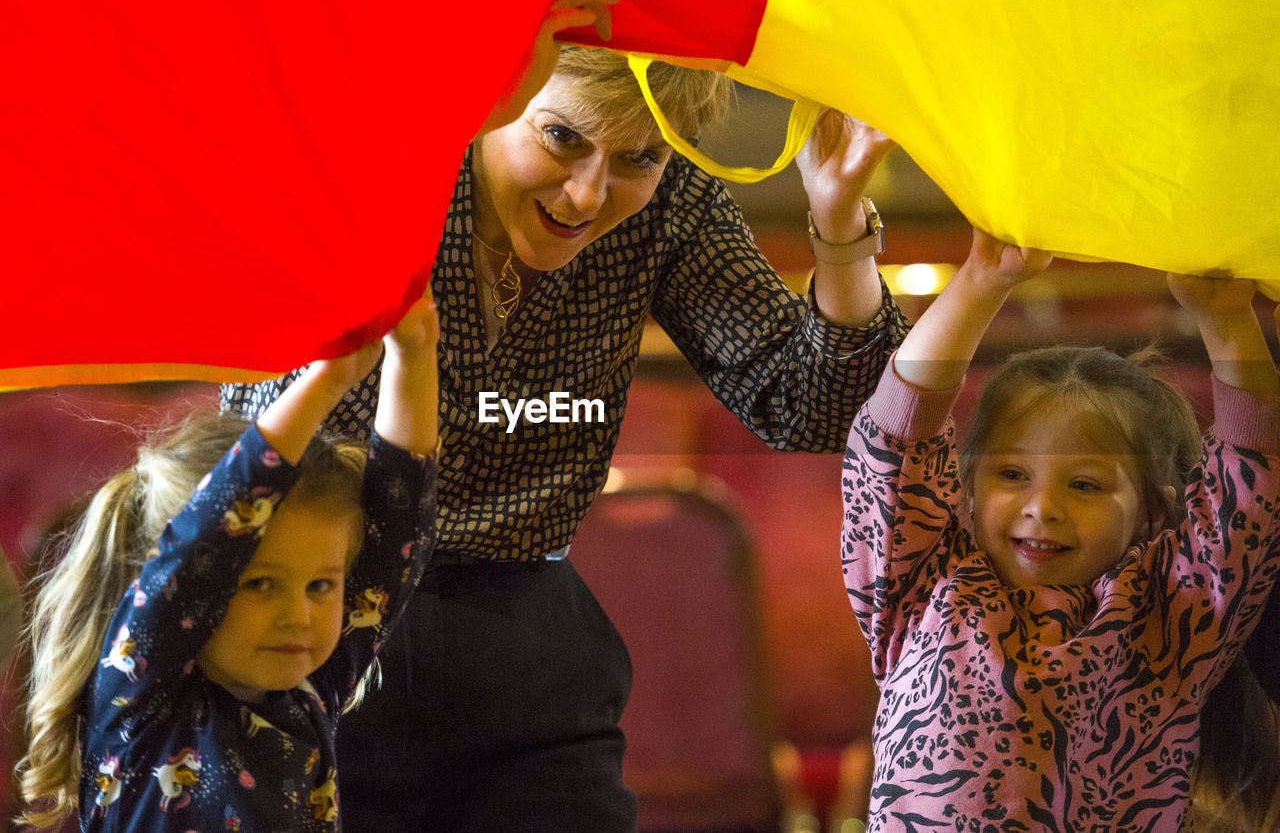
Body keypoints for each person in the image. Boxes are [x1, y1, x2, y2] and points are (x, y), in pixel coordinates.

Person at [220, 45, 908, 830]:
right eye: (562, 138)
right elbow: (270, 443)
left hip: (524, 636)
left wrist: (839, 223)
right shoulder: (372, 168)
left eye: (638, 158)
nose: (587, 194)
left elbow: (811, 409)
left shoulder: (671, 200)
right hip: (312, 613)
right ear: (488, 101)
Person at [840, 229, 1280, 829]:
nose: (1041, 506)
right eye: (1013, 473)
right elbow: (891, 446)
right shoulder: (917, 591)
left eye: (1085, 485)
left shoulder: (1174, 618)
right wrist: (977, 283)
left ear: (1152, 513)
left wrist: (1228, 320)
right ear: (966, 492)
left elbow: (1253, 483)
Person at [16, 295, 439, 831]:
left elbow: (397, 541)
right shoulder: (140, 689)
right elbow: (210, 538)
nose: (297, 615)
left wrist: (415, 356)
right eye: (260, 583)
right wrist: (324, 383)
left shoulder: (308, 693)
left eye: (320, 586)